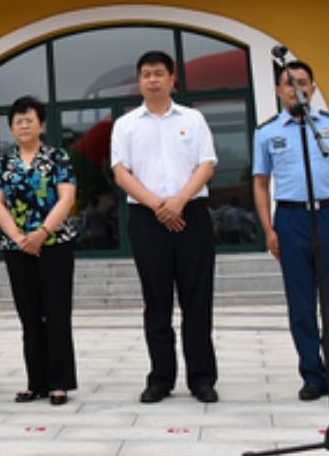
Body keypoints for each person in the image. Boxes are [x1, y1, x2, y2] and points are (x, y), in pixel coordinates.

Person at [111, 50, 220, 404]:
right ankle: (160, 378)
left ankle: (202, 378)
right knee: (156, 302)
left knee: (197, 300)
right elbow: (120, 172)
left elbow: (207, 165)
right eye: (146, 74)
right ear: (139, 81)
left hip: (192, 214)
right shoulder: (126, 124)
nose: (153, 79)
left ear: (173, 79)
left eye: (159, 73)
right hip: (147, 218)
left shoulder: (194, 118)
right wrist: (158, 204)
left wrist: (178, 201)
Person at [253, 60, 329, 402]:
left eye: (302, 83)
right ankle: (312, 374)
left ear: (313, 88)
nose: (296, 89)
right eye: (288, 83)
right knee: (301, 303)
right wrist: (268, 228)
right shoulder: (267, 132)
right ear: (277, 90)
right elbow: (260, 183)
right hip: (291, 219)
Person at [0, 95, 78, 406]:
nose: (24, 125)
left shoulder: (57, 158)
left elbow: (66, 198)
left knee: (56, 314)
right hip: (17, 248)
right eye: (18, 121)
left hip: (55, 244)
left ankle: (59, 384)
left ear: (41, 124)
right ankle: (35, 383)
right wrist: (17, 236)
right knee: (29, 316)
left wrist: (41, 233)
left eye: (29, 119)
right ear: (11, 128)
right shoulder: (3, 162)